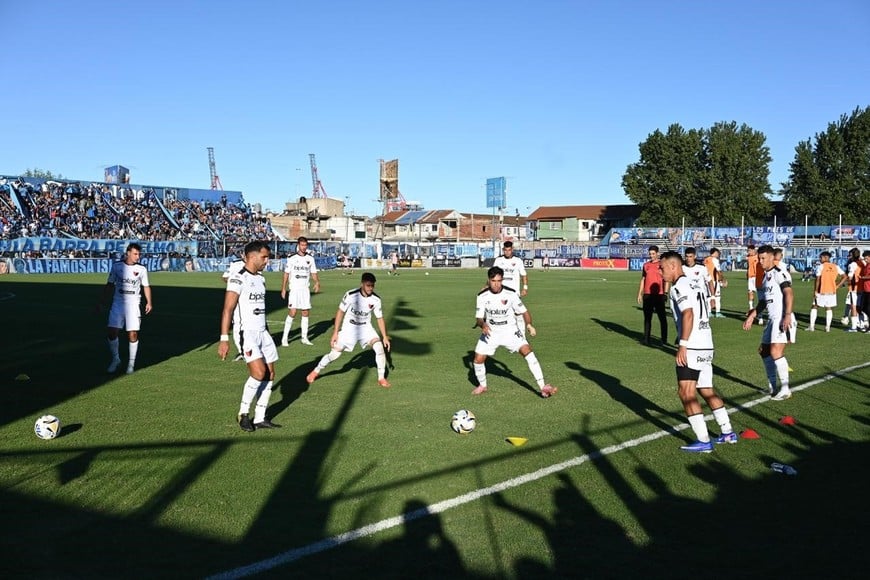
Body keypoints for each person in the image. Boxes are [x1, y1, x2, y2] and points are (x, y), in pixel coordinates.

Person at [659, 251, 736, 453]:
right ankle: (727, 432)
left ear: (674, 266)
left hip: (692, 345)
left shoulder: (679, 286)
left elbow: (688, 313)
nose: (661, 271)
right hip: (706, 343)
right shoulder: (695, 283)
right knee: (706, 389)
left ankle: (703, 440)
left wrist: (682, 343)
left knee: (686, 392)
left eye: (663, 267)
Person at [218, 241, 281, 432]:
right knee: (258, 373)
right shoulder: (238, 279)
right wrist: (224, 339)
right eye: (264, 257)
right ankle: (243, 414)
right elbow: (227, 309)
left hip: (263, 331)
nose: (267, 261)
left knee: (270, 374)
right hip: (247, 332)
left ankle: (261, 417)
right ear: (252, 256)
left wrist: (267, 332)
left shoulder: (261, 279)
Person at [471, 266, 556, 398]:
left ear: (502, 280)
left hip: (510, 331)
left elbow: (524, 312)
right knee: (478, 359)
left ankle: (543, 387)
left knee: (527, 351)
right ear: (488, 280)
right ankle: (482, 385)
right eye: (493, 281)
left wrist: (529, 325)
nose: (496, 284)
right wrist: (483, 325)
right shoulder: (482, 296)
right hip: (491, 332)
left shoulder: (510, 294)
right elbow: (478, 318)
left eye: (499, 281)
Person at [306, 272, 392, 387]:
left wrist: (385, 337)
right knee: (334, 355)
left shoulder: (376, 300)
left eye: (372, 286)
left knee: (379, 347)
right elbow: (340, 312)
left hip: (365, 328)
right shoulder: (351, 295)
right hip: (349, 329)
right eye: (368, 285)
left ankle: (381, 378)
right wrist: (335, 333)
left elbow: (379, 318)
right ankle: (316, 370)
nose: (370, 288)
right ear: (362, 284)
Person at [742, 245, 797, 400]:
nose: (760, 261)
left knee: (775, 351)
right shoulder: (766, 276)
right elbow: (763, 301)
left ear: (773, 257)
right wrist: (752, 315)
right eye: (759, 258)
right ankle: (772, 387)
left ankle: (785, 389)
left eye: (763, 258)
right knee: (764, 351)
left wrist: (786, 315)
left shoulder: (780, 273)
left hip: (781, 318)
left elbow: (789, 294)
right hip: (772, 320)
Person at [99, 243, 153, 374]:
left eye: (139, 254)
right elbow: (110, 284)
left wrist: (149, 302)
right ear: (128, 253)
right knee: (112, 332)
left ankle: (131, 363)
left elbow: (146, 286)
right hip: (118, 302)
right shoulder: (117, 266)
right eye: (135, 254)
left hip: (134, 303)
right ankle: (116, 359)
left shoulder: (141, 269)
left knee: (133, 333)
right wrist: (102, 302)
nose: (138, 256)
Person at [280, 236, 320, 346]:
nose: (304, 247)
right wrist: (283, 288)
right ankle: (284, 338)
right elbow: (286, 273)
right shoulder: (292, 258)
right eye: (302, 245)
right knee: (292, 312)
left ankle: (304, 338)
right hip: (294, 289)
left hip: (305, 289)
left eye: (305, 245)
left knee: (305, 312)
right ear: (298, 245)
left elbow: (313, 272)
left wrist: (317, 282)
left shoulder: (310, 259)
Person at [494, 240, 529, 333]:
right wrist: (487, 287)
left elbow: (523, 275)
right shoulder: (498, 260)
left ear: (512, 250)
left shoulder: (518, 261)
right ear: (503, 250)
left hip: (514, 293)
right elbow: (493, 276)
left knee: (518, 314)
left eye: (509, 250)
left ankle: (522, 336)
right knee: (500, 314)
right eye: (505, 250)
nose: (507, 252)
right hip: (501, 292)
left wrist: (525, 288)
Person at [636, 245, 668, 346]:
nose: (651, 255)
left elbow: (667, 280)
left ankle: (663, 340)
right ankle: (646, 339)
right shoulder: (646, 265)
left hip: (659, 295)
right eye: (650, 254)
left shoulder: (662, 265)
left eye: (653, 254)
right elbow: (643, 279)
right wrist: (640, 294)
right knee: (647, 318)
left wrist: (665, 293)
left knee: (662, 318)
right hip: (647, 295)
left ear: (658, 253)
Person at [806, 251, 845, 332]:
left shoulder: (821, 267)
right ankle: (827, 327)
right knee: (828, 308)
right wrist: (837, 285)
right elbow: (845, 276)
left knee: (814, 306)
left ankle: (812, 326)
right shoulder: (835, 266)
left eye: (821, 257)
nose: (820, 259)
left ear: (825, 257)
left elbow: (817, 280)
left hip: (822, 290)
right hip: (832, 291)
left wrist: (815, 291)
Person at [221, 253, 246, 361]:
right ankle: (242, 351)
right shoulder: (236, 264)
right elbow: (225, 277)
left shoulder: (256, 265)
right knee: (238, 323)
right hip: (236, 297)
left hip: (250, 299)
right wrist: (235, 283)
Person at [842, 248, 863, 332]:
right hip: (862, 287)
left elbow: (850, 276)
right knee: (860, 306)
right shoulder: (863, 262)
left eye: (850, 255)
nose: (849, 257)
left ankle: (854, 327)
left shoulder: (852, 264)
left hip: (854, 288)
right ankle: (861, 324)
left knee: (853, 306)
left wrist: (846, 281)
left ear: (853, 255)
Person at [703, 247, 726, 318]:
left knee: (708, 296)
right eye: (718, 253)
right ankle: (717, 312)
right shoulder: (714, 260)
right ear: (715, 253)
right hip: (713, 280)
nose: (718, 254)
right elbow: (718, 270)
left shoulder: (706, 259)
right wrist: (722, 279)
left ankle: (709, 311)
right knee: (717, 296)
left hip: (706, 279)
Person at [746, 244, 759, 311]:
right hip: (750, 277)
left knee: (759, 293)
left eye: (750, 250)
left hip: (757, 277)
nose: (748, 252)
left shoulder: (758, 257)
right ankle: (751, 308)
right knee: (750, 292)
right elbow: (748, 267)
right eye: (748, 251)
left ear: (754, 250)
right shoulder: (748, 257)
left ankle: (760, 310)